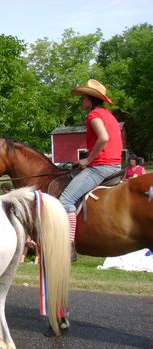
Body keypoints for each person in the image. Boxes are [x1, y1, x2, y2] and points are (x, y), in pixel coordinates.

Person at [60, 79, 122, 261]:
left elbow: (103, 138)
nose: (81, 102)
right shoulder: (109, 115)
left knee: (65, 200)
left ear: (91, 99)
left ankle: (69, 245)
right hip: (114, 164)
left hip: (101, 166)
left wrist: (88, 159)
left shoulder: (94, 115)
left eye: (83, 98)